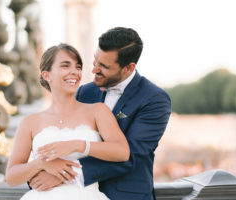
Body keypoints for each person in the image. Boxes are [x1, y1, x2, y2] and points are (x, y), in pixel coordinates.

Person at [29, 27, 172, 200]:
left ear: (128, 68)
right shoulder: (84, 92)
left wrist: (64, 175)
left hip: (125, 195)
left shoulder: (154, 99)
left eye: (103, 66)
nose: (94, 70)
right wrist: (41, 170)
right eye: (95, 61)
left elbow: (132, 155)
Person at [5, 43, 130, 200]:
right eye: (65, 66)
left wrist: (77, 144)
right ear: (46, 75)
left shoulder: (97, 111)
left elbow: (122, 152)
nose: (74, 72)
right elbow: (11, 177)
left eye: (78, 67)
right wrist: (41, 164)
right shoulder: (30, 121)